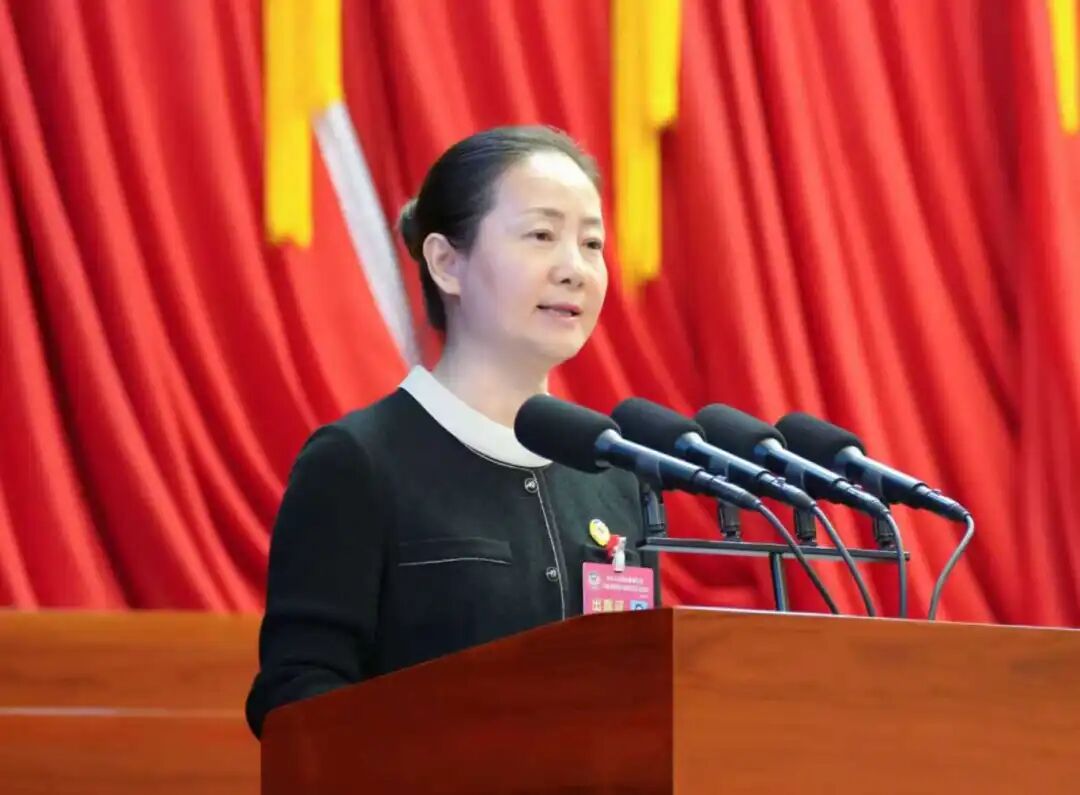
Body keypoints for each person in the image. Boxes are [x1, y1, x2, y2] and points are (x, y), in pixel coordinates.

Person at [245, 125, 655, 738]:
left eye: (591, 243)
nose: (575, 269)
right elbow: (298, 696)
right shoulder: (358, 462)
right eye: (542, 235)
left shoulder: (612, 473)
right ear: (446, 263)